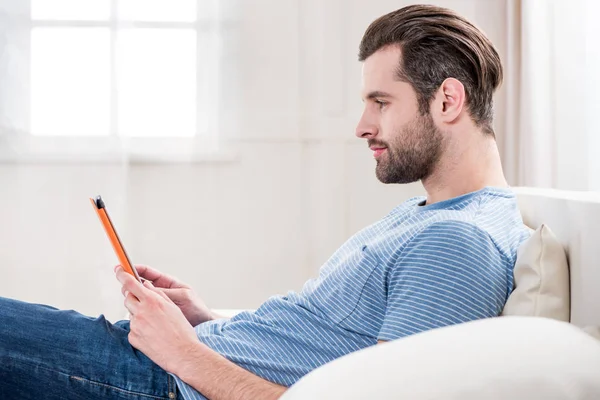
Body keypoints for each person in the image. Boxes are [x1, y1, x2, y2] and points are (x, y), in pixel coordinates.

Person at [0, 4, 530, 400]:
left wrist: (182, 352)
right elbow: (324, 345)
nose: (362, 125)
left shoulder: (458, 243)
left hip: (160, 381)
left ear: (447, 99)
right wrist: (202, 323)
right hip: (172, 364)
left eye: (381, 102)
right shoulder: (432, 216)